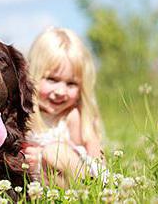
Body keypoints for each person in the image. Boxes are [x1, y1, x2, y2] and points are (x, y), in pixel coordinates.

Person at [23, 27, 106, 187]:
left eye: (71, 83)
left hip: (78, 185)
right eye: (52, 79)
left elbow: (100, 166)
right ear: (32, 74)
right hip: (34, 189)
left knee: (53, 152)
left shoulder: (73, 116)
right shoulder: (23, 115)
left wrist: (42, 158)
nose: (61, 91)